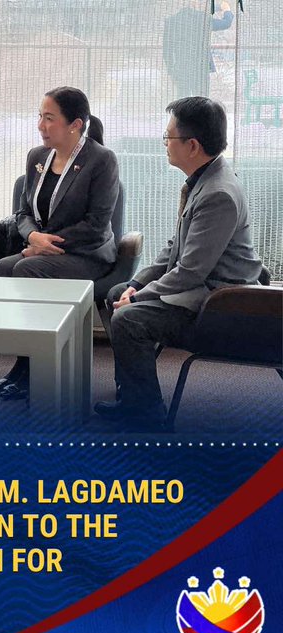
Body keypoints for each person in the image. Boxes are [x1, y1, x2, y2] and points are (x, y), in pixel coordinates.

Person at [95, 97, 263, 431]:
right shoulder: (204, 180)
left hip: (219, 306)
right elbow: (175, 248)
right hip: (202, 291)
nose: (165, 144)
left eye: (168, 138)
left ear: (192, 145)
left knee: (130, 318)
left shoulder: (219, 193)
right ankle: (132, 394)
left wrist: (138, 298)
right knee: (117, 291)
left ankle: (146, 414)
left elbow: (190, 271)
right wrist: (136, 284)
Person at [0, 86, 119, 401]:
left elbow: (97, 224)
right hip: (42, 248)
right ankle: (23, 364)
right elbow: (22, 212)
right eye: (40, 117)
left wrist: (45, 243)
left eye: (49, 118)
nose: (41, 126)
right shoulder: (37, 157)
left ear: (75, 124)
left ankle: (34, 371)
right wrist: (33, 236)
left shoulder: (101, 160)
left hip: (89, 253)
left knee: (28, 269)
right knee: (4, 267)